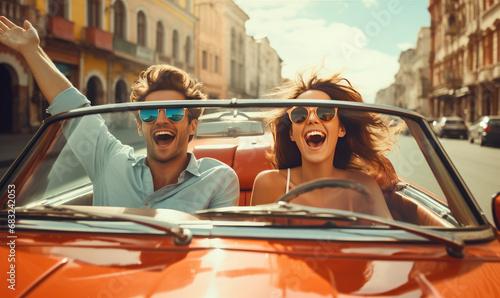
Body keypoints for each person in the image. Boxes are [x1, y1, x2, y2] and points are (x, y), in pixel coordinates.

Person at [0, 16, 239, 214]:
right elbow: (71, 106)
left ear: (193, 125)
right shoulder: (109, 161)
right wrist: (30, 49)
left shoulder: (219, 178)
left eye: (175, 112)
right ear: (139, 127)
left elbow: (213, 252)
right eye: (148, 113)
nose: (161, 119)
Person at [250, 69, 397, 219]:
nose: (312, 119)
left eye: (325, 113)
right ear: (292, 134)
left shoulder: (364, 185)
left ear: (341, 129)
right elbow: (252, 241)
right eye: (299, 114)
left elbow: (390, 239)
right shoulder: (269, 183)